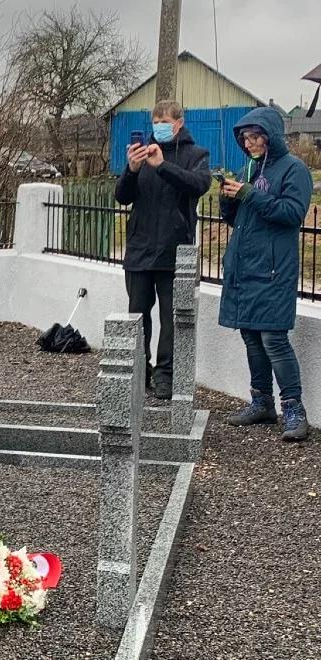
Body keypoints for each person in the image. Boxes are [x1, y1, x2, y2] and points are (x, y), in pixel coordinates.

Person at [218, 107, 314, 441]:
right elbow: (239, 220)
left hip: (274, 270)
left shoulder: (294, 169)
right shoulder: (250, 168)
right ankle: (261, 402)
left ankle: (294, 409)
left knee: (273, 337)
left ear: (271, 135)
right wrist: (228, 198)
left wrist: (249, 193)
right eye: (245, 138)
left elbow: (290, 213)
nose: (250, 142)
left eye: (256, 136)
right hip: (245, 267)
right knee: (251, 335)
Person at [114, 100, 211, 399]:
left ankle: (165, 375)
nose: (160, 126)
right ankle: (139, 371)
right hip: (140, 250)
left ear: (179, 123)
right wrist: (131, 169)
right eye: (156, 120)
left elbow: (199, 184)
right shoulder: (142, 154)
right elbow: (122, 197)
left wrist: (163, 166)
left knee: (171, 320)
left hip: (174, 251)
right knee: (137, 316)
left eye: (165, 121)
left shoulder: (196, 155)